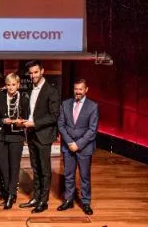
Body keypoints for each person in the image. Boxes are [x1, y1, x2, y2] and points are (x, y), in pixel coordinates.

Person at [19, 60, 60, 213]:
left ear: (42, 71)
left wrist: (34, 123)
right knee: (35, 168)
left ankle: (44, 201)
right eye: (31, 73)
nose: (33, 75)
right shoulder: (31, 89)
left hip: (43, 135)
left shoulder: (51, 91)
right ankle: (36, 197)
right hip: (31, 134)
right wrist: (24, 122)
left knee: (45, 170)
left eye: (36, 72)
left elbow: (54, 116)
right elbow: (31, 112)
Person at [57, 79, 98, 216]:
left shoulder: (93, 106)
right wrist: (70, 142)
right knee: (68, 175)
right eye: (76, 89)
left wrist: (78, 144)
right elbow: (61, 125)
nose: (78, 92)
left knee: (84, 177)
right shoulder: (65, 104)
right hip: (68, 146)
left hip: (84, 148)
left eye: (81, 89)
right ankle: (68, 200)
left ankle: (85, 202)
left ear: (86, 90)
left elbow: (92, 130)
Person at [0, 73, 29, 209]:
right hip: (1, 136)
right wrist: (3, 120)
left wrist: (21, 122)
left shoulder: (24, 99)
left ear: (18, 85)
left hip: (16, 136)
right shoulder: (0, 96)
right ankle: (8, 192)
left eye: (13, 84)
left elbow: (26, 117)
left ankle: (11, 194)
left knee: (14, 167)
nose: (10, 87)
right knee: (3, 167)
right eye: (8, 85)